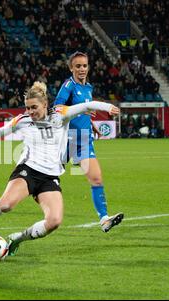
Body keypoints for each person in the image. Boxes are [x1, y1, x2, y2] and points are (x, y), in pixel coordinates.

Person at [0, 81, 121, 256]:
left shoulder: (60, 114)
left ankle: (17, 239)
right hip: (27, 171)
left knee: (54, 221)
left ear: (45, 104)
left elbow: (85, 106)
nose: (30, 112)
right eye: (27, 108)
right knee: (5, 205)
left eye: (34, 107)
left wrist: (108, 108)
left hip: (50, 177)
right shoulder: (23, 120)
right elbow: (1, 131)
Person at [53, 51, 124, 233]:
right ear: (71, 68)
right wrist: (81, 111)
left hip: (83, 139)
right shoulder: (69, 85)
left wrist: (91, 124)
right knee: (48, 176)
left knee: (96, 178)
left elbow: (84, 110)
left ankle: (104, 219)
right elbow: (57, 108)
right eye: (78, 66)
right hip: (65, 139)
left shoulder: (88, 87)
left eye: (84, 65)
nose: (82, 69)